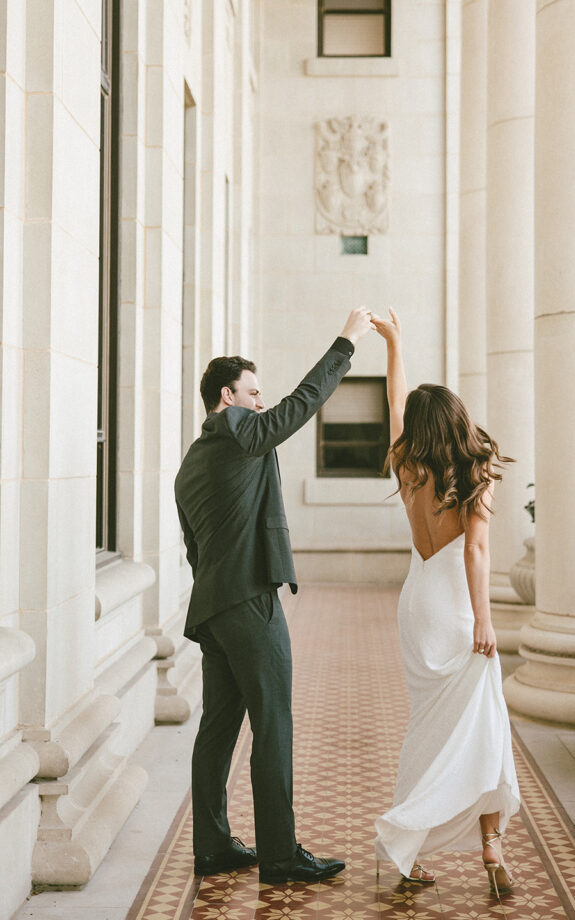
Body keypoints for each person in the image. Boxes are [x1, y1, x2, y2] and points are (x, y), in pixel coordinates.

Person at [175, 307, 374, 884]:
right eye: (252, 393)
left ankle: (212, 846)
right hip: (246, 601)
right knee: (274, 722)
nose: (260, 403)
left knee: (217, 728)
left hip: (213, 605)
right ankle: (281, 857)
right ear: (225, 397)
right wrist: (346, 342)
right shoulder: (237, 433)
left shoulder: (193, 460)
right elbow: (297, 408)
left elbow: (193, 546)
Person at [372, 308, 520, 899]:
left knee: (429, 728)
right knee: (486, 724)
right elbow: (476, 553)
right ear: (459, 420)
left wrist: (395, 345)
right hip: (458, 607)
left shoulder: (408, 465)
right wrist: (485, 618)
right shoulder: (473, 472)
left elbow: (394, 401)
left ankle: (408, 847)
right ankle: (491, 845)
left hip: (417, 604)